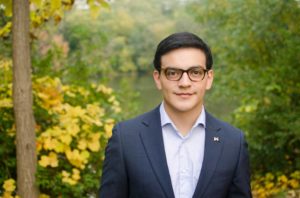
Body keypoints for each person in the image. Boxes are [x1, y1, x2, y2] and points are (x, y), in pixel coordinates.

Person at [99, 32, 252, 198]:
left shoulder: (233, 142)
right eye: (172, 73)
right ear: (158, 78)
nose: (184, 83)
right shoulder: (126, 138)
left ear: (208, 79)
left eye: (195, 72)